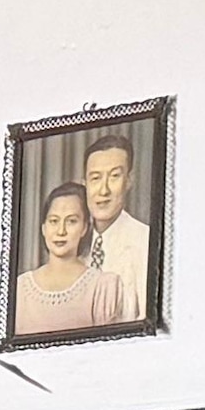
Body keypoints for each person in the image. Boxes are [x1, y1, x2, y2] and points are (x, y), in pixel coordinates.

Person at [13, 169, 130, 342]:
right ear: (44, 228)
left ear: (84, 228)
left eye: (71, 221)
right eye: (54, 221)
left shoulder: (103, 287)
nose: (61, 231)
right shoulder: (19, 288)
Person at [80, 136, 153, 326]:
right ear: (84, 184)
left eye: (114, 176)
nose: (103, 190)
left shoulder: (145, 242)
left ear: (128, 181)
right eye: (95, 178)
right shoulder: (74, 243)